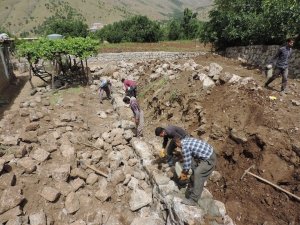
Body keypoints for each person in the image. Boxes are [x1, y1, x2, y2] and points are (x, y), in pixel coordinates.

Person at [175, 136, 216, 206]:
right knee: (194, 167)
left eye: (177, 146)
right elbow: (190, 161)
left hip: (209, 159)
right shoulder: (186, 139)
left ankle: (193, 200)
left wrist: (182, 178)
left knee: (198, 173)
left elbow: (186, 167)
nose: (178, 148)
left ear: (178, 143)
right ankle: (193, 185)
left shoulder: (185, 147)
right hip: (210, 152)